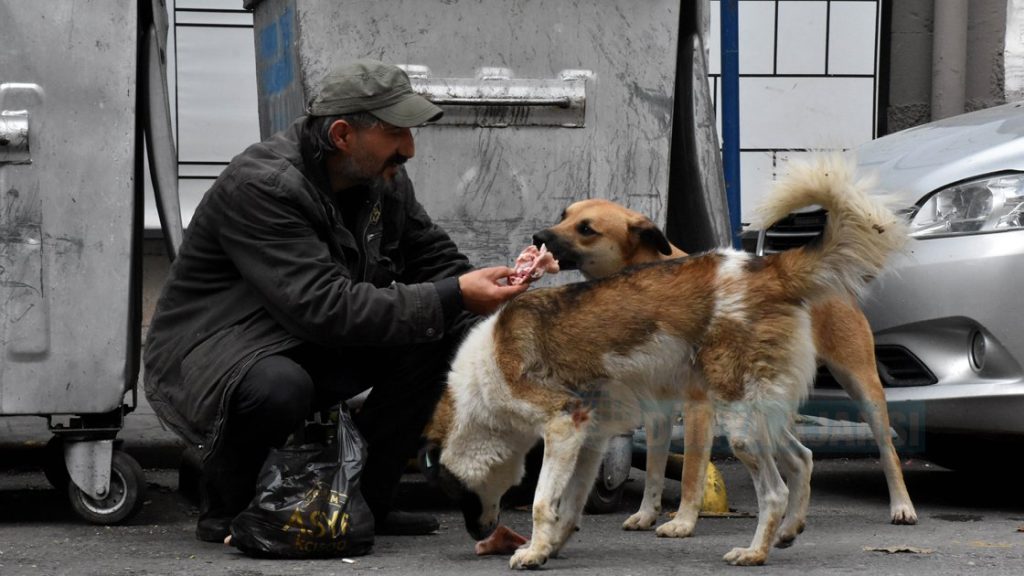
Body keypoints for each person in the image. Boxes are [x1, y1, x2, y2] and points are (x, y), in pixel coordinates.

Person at [143, 59, 528, 542]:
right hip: (216, 353)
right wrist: (454, 294)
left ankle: (363, 500)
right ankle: (230, 504)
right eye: (396, 134)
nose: (409, 149)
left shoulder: (381, 178)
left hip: (304, 334)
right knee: (278, 387)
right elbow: (324, 308)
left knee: (450, 331)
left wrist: (498, 292)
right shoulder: (263, 185)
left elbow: (431, 256)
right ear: (344, 134)